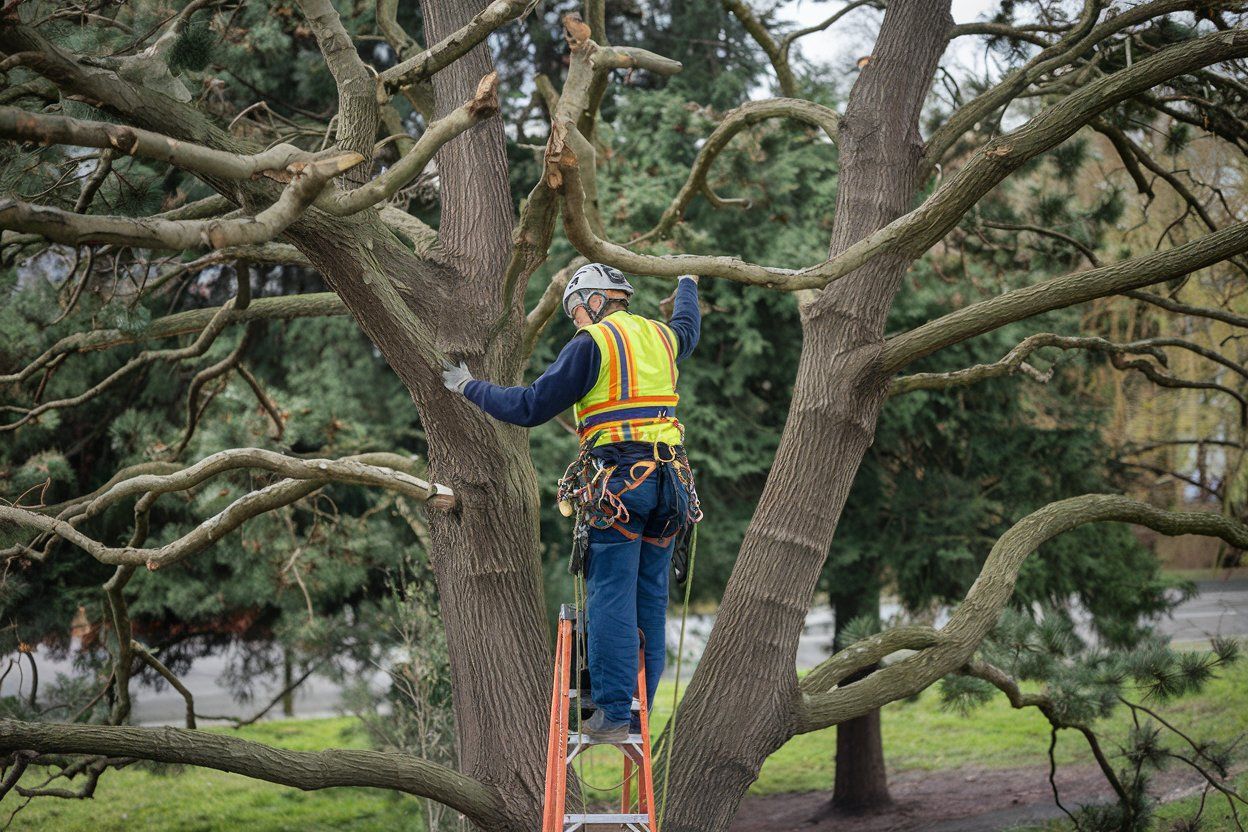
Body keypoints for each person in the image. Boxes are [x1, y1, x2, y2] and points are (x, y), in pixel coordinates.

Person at [442, 262, 700, 741]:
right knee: (650, 597)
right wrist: (688, 282)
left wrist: (467, 387)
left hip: (622, 482)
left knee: (611, 594)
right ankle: (640, 710)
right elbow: (689, 327)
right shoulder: (662, 338)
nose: (577, 320)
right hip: (671, 484)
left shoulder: (593, 343)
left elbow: (529, 407)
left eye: (577, 311)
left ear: (596, 301)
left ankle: (614, 712)